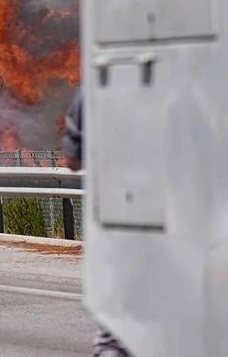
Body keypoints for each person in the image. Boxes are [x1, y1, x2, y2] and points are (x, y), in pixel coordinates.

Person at [59, 89, 133, 357]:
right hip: (188, 221)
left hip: (118, 220)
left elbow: (73, 160)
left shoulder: (94, 90)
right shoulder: (195, 78)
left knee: (115, 335)